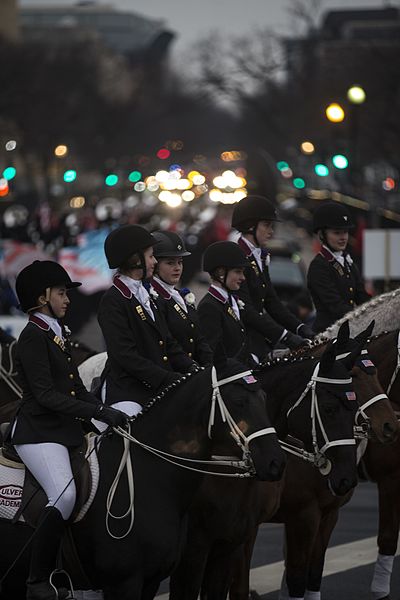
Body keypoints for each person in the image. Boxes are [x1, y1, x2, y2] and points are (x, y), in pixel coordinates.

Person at [11, 260, 126, 600]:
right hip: (39, 431)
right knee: (64, 495)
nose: (68, 299)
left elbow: (75, 387)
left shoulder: (57, 333)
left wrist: (106, 413)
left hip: (64, 428)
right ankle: (38, 579)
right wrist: (94, 410)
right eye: (61, 293)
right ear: (42, 296)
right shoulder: (32, 336)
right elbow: (46, 396)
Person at [98, 225, 196, 420]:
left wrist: (193, 368)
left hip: (157, 384)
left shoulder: (146, 295)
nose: (154, 261)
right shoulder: (114, 300)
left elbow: (168, 342)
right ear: (135, 260)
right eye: (151, 256)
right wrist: (167, 378)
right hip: (128, 390)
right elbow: (125, 355)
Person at [231, 195, 314, 361]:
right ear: (250, 226)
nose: (271, 231)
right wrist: (284, 336)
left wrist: (299, 327)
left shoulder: (260, 257)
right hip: (241, 342)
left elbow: (272, 302)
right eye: (267, 225)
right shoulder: (238, 257)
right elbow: (247, 311)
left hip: (260, 338)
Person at [151, 231, 213, 367]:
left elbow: (197, 336)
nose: (177, 268)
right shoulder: (151, 298)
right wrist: (191, 367)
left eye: (180, 262)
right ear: (154, 265)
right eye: (170, 263)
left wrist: (211, 364)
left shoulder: (179, 295)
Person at [307, 202, 370, 333]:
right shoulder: (319, 266)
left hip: (349, 329)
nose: (343, 238)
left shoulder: (348, 261)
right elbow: (335, 306)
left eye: (345, 232)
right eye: (337, 233)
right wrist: (363, 319)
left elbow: (361, 296)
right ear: (322, 235)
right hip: (328, 334)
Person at [197, 241, 256, 367]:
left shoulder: (229, 301)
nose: (243, 277)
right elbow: (212, 357)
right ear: (221, 273)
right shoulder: (209, 307)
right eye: (238, 272)